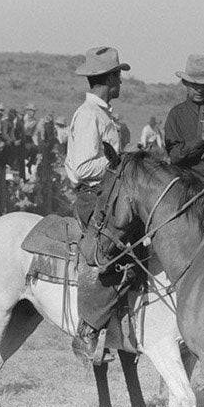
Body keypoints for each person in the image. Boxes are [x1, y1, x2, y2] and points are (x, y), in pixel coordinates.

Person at [65, 45, 130, 363]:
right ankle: (88, 331)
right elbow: (80, 168)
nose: (121, 81)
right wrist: (120, 164)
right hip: (93, 198)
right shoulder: (89, 115)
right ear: (109, 78)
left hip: (108, 196)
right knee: (109, 250)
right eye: (118, 75)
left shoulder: (103, 114)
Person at [163, 54, 204, 183]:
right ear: (185, 83)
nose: (199, 90)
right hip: (187, 185)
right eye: (195, 85)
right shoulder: (176, 115)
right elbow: (174, 156)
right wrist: (201, 139)